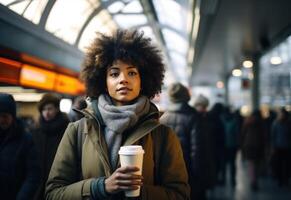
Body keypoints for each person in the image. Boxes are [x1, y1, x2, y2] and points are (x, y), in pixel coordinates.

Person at [45, 29, 190, 200]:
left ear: (142, 82)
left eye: (132, 73)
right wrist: (100, 187)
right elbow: (53, 193)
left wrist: (139, 193)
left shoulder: (163, 135)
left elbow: (180, 194)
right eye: (114, 73)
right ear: (103, 82)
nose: (123, 79)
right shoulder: (77, 131)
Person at [159, 82, 199, 199]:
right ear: (186, 96)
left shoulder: (162, 119)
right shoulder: (193, 117)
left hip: (169, 170)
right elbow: (197, 149)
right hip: (189, 169)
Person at [0, 93, 40, 200]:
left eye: (4, 116)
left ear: (12, 116)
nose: (1, 120)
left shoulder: (26, 140)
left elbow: (33, 175)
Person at [33, 93, 70, 200]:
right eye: (44, 110)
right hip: (38, 181)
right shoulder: (36, 130)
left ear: (57, 109)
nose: (47, 113)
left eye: (50, 109)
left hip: (60, 181)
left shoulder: (67, 129)